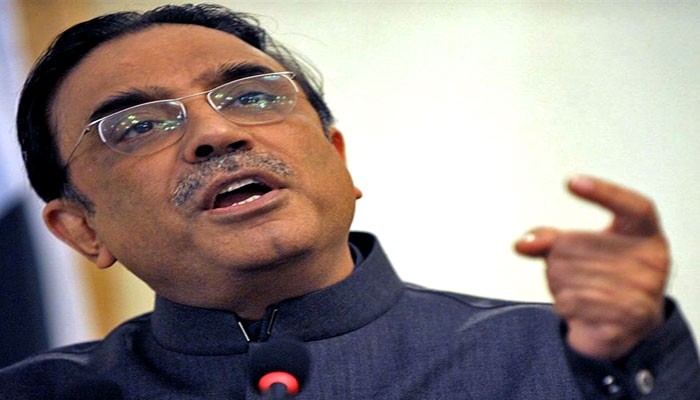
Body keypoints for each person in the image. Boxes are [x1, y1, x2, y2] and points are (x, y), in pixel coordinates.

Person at [1, 3, 698, 399]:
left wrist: (639, 359)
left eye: (252, 96)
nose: (216, 133)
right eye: (137, 126)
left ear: (338, 159)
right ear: (80, 230)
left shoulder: (557, 359)